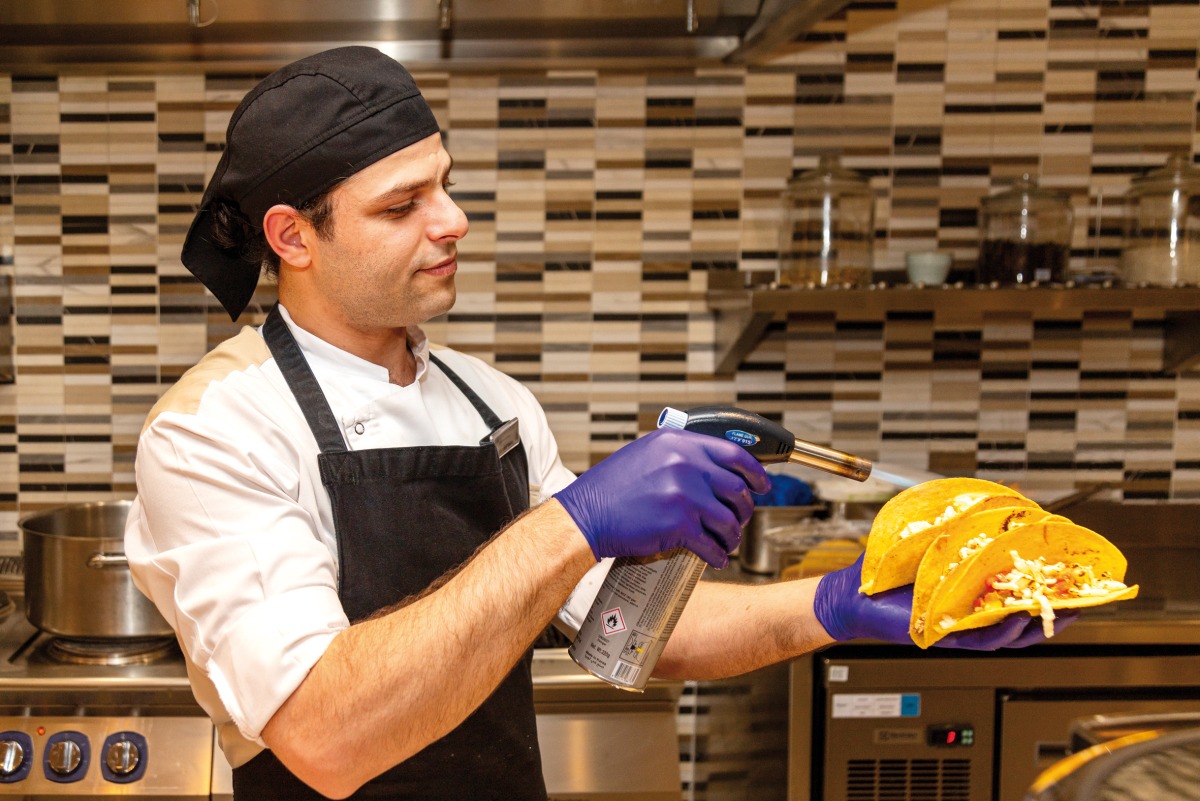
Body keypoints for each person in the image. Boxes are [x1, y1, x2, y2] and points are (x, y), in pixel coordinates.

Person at [124, 46, 1063, 801]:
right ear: (292, 237)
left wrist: (839, 608)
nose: (452, 221)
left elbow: (621, 622)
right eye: (403, 205)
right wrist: (572, 522)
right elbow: (327, 736)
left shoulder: (491, 403)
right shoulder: (214, 429)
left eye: (444, 184)